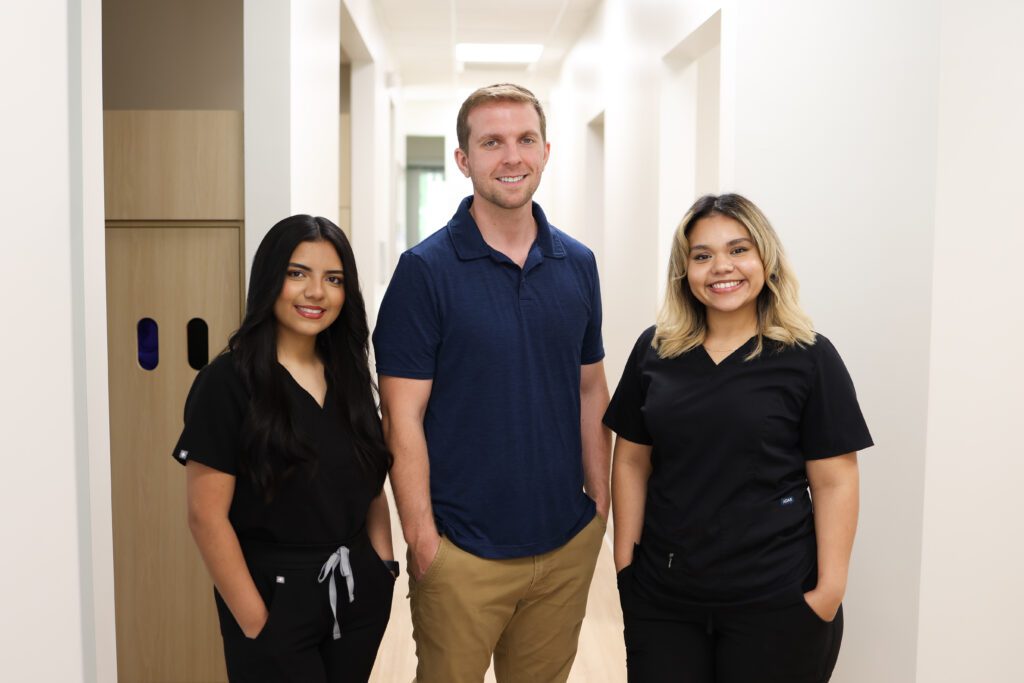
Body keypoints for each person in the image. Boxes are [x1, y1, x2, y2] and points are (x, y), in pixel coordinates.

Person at [372, 83, 610, 682]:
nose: (512, 157)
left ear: (546, 150)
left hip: (562, 547)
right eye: (492, 142)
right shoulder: (423, 273)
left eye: (525, 139)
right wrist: (424, 539)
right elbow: (402, 417)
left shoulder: (577, 264)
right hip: (462, 553)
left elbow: (589, 388)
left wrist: (599, 506)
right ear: (463, 159)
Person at [606, 194, 872, 682]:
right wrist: (627, 565)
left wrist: (828, 592)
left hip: (776, 603)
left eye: (738, 250)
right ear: (684, 270)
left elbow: (835, 482)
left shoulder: (808, 357)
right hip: (666, 601)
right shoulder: (655, 351)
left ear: (765, 260)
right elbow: (631, 462)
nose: (720, 267)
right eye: (702, 255)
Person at [173, 215, 396, 683]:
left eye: (333, 279)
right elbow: (205, 516)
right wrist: (256, 620)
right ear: (269, 279)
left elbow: (371, 479)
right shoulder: (228, 382)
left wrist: (383, 568)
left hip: (356, 592)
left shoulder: (350, 378)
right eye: (298, 274)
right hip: (272, 600)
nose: (316, 292)